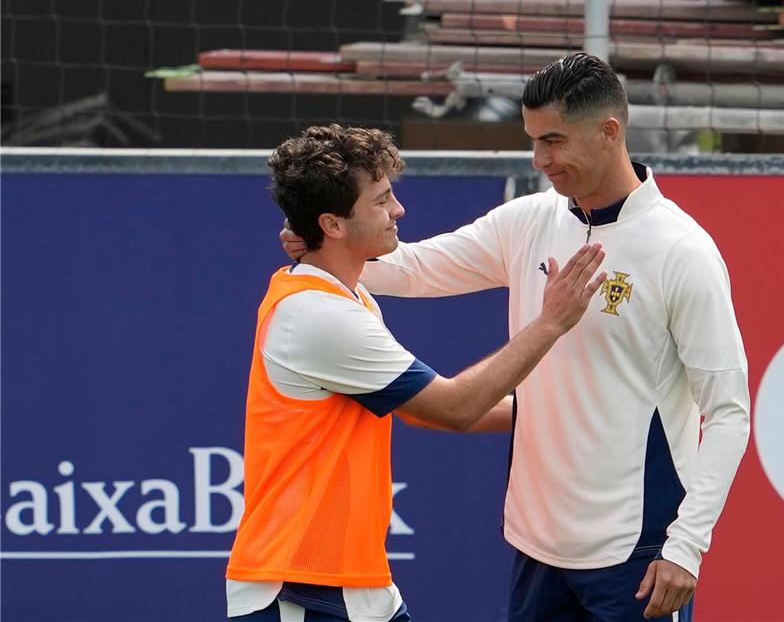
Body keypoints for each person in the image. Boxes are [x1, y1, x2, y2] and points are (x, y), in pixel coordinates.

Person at [281, 53, 750, 622]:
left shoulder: (682, 251)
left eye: (553, 141)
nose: (540, 159)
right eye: (532, 140)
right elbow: (410, 269)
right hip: (535, 547)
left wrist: (687, 547)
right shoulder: (529, 219)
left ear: (610, 132)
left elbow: (728, 413)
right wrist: (323, 241)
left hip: (636, 552)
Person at [227, 123, 607, 622]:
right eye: (381, 201)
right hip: (301, 585)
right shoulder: (319, 315)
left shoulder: (346, 296)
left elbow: (423, 412)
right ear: (334, 225)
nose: (398, 210)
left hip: (344, 583)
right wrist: (551, 322)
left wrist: (554, 412)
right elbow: (452, 407)